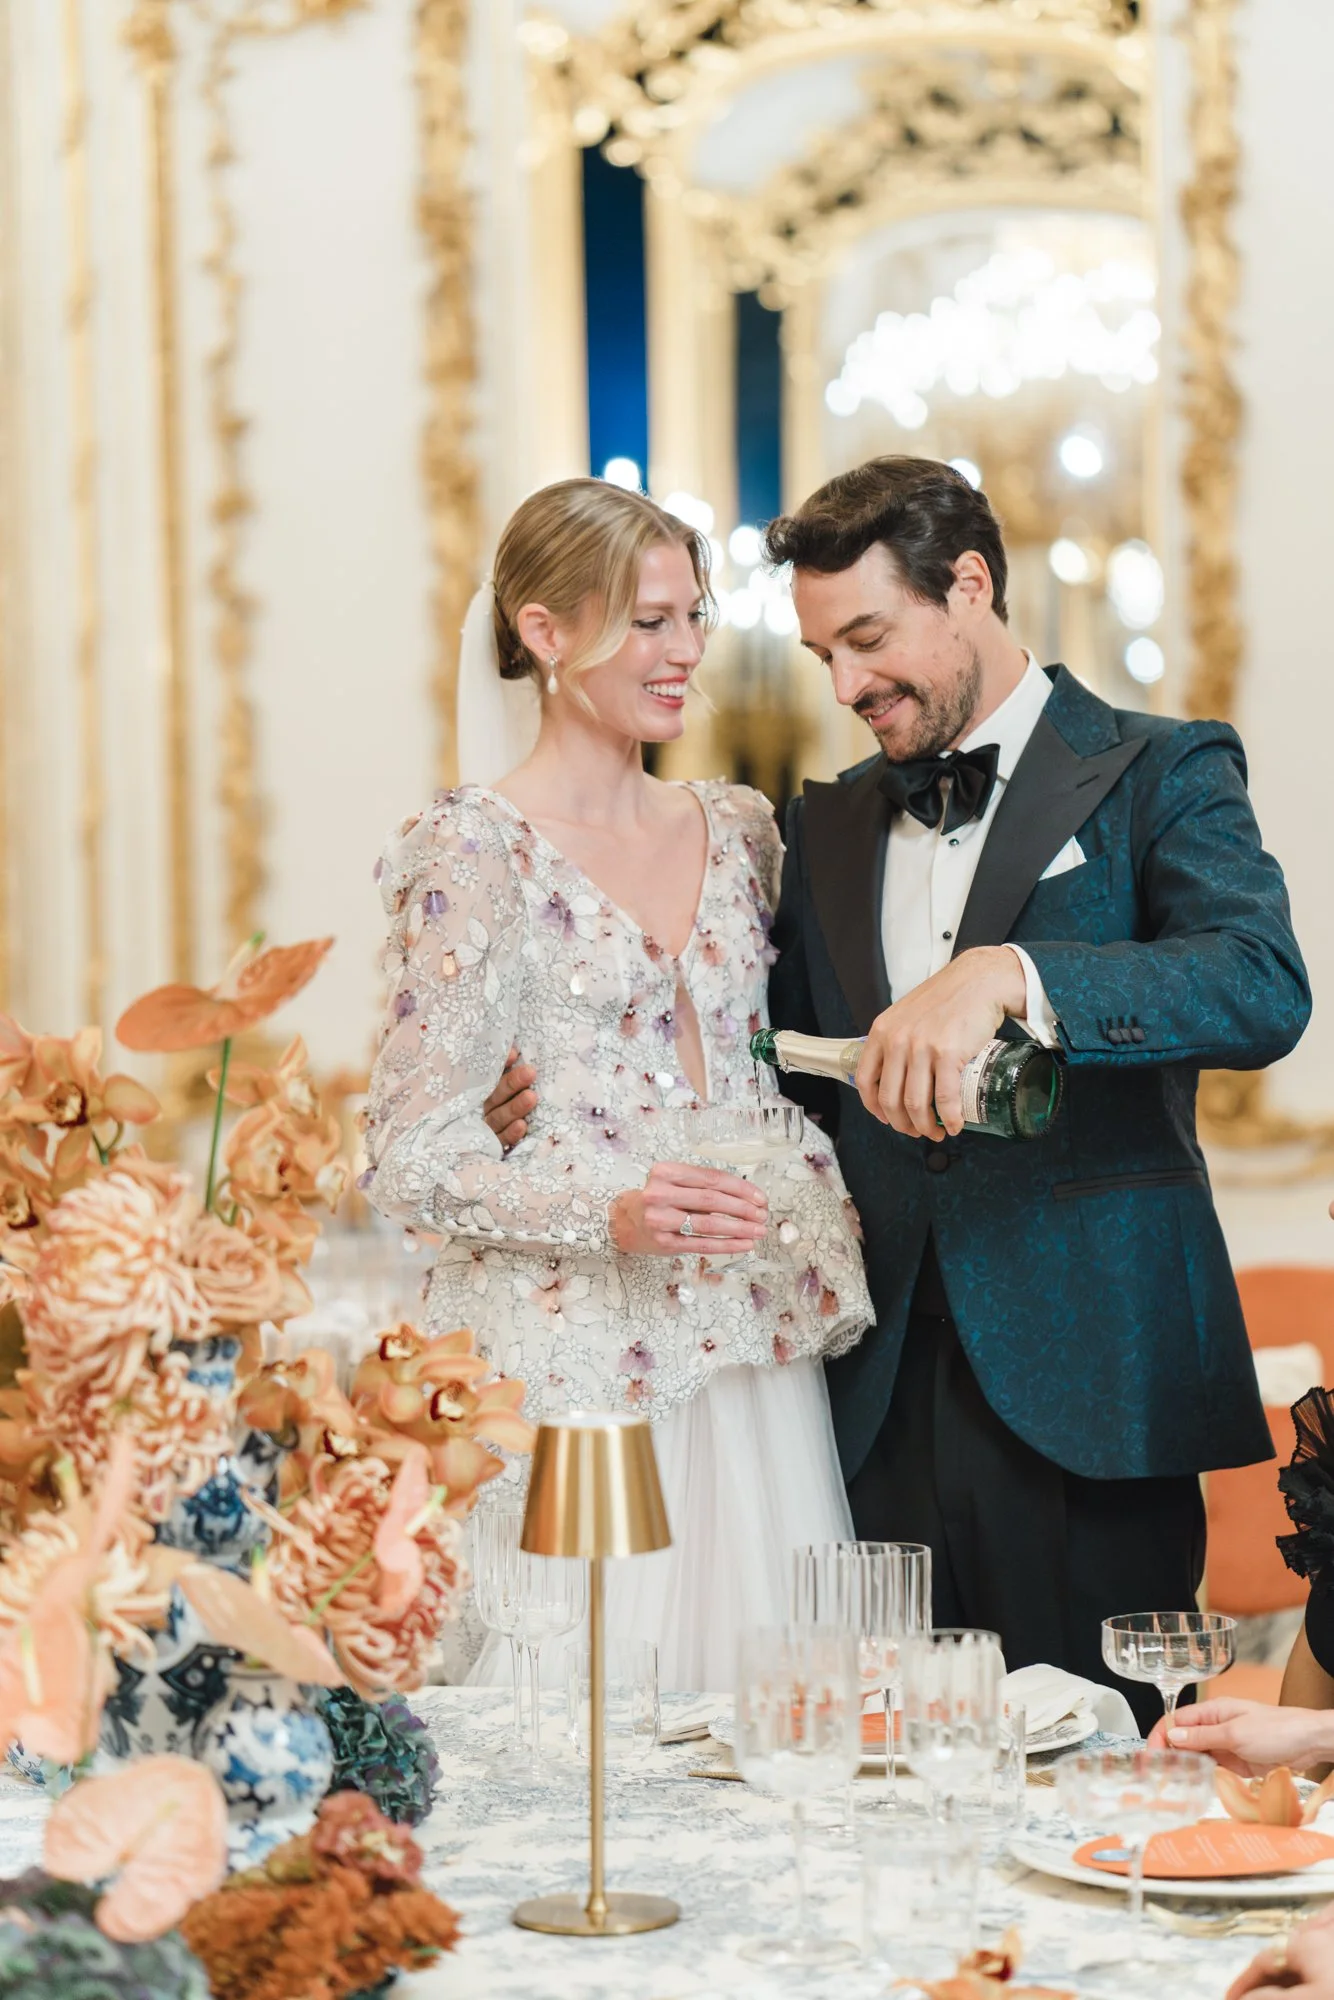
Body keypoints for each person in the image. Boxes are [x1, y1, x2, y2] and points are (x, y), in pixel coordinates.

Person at [762, 455, 1311, 1729]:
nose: (846, 687)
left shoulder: (1155, 769)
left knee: (1100, 1771)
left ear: (968, 586)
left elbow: (1258, 985)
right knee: (880, 1766)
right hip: (868, 1390)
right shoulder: (824, 824)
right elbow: (764, 1058)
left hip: (1090, 1383)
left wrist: (1014, 974)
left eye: (867, 638)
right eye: (819, 655)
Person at [363, 477, 872, 1691]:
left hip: (752, 1354)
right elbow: (409, 1153)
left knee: (772, 1720)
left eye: (691, 615)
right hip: (575, 1368)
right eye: (648, 621)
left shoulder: (740, 825)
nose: (685, 649)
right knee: (584, 1727)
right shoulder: (470, 847)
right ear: (543, 632)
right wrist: (613, 1212)